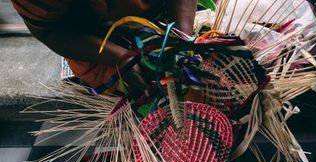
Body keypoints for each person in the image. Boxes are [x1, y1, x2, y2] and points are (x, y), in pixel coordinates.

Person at [11, 0, 198, 92]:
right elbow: (49, 31)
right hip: (97, 47)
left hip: (167, 18)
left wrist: (181, 39)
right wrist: (118, 57)